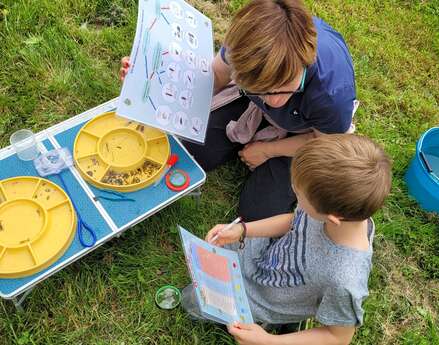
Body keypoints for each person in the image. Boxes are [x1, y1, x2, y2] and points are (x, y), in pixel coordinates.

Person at [120, 0, 358, 222]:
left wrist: (268, 150)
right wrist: (149, 83)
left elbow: (323, 144)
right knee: (187, 152)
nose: (271, 99)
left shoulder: (332, 93)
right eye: (259, 89)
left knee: (259, 213)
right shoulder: (246, 43)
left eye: (280, 91)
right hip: (250, 105)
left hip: (303, 135)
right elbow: (217, 77)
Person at [183, 134, 392, 345]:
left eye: (299, 195)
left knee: (194, 300)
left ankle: (263, 323)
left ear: (332, 218)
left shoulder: (343, 280)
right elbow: (295, 221)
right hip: (264, 258)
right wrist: (243, 230)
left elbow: (337, 337)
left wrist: (266, 341)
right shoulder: (340, 212)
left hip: (265, 301)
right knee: (208, 259)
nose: (293, 193)